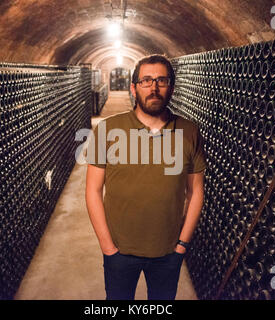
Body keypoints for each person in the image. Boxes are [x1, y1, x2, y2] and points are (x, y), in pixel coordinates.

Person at [85, 54, 206, 300]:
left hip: (167, 252)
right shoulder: (107, 129)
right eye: (146, 81)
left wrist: (181, 246)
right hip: (119, 252)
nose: (154, 87)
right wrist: (108, 248)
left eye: (161, 80)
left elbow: (196, 192)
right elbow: (93, 191)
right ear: (134, 87)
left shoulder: (189, 131)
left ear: (171, 87)